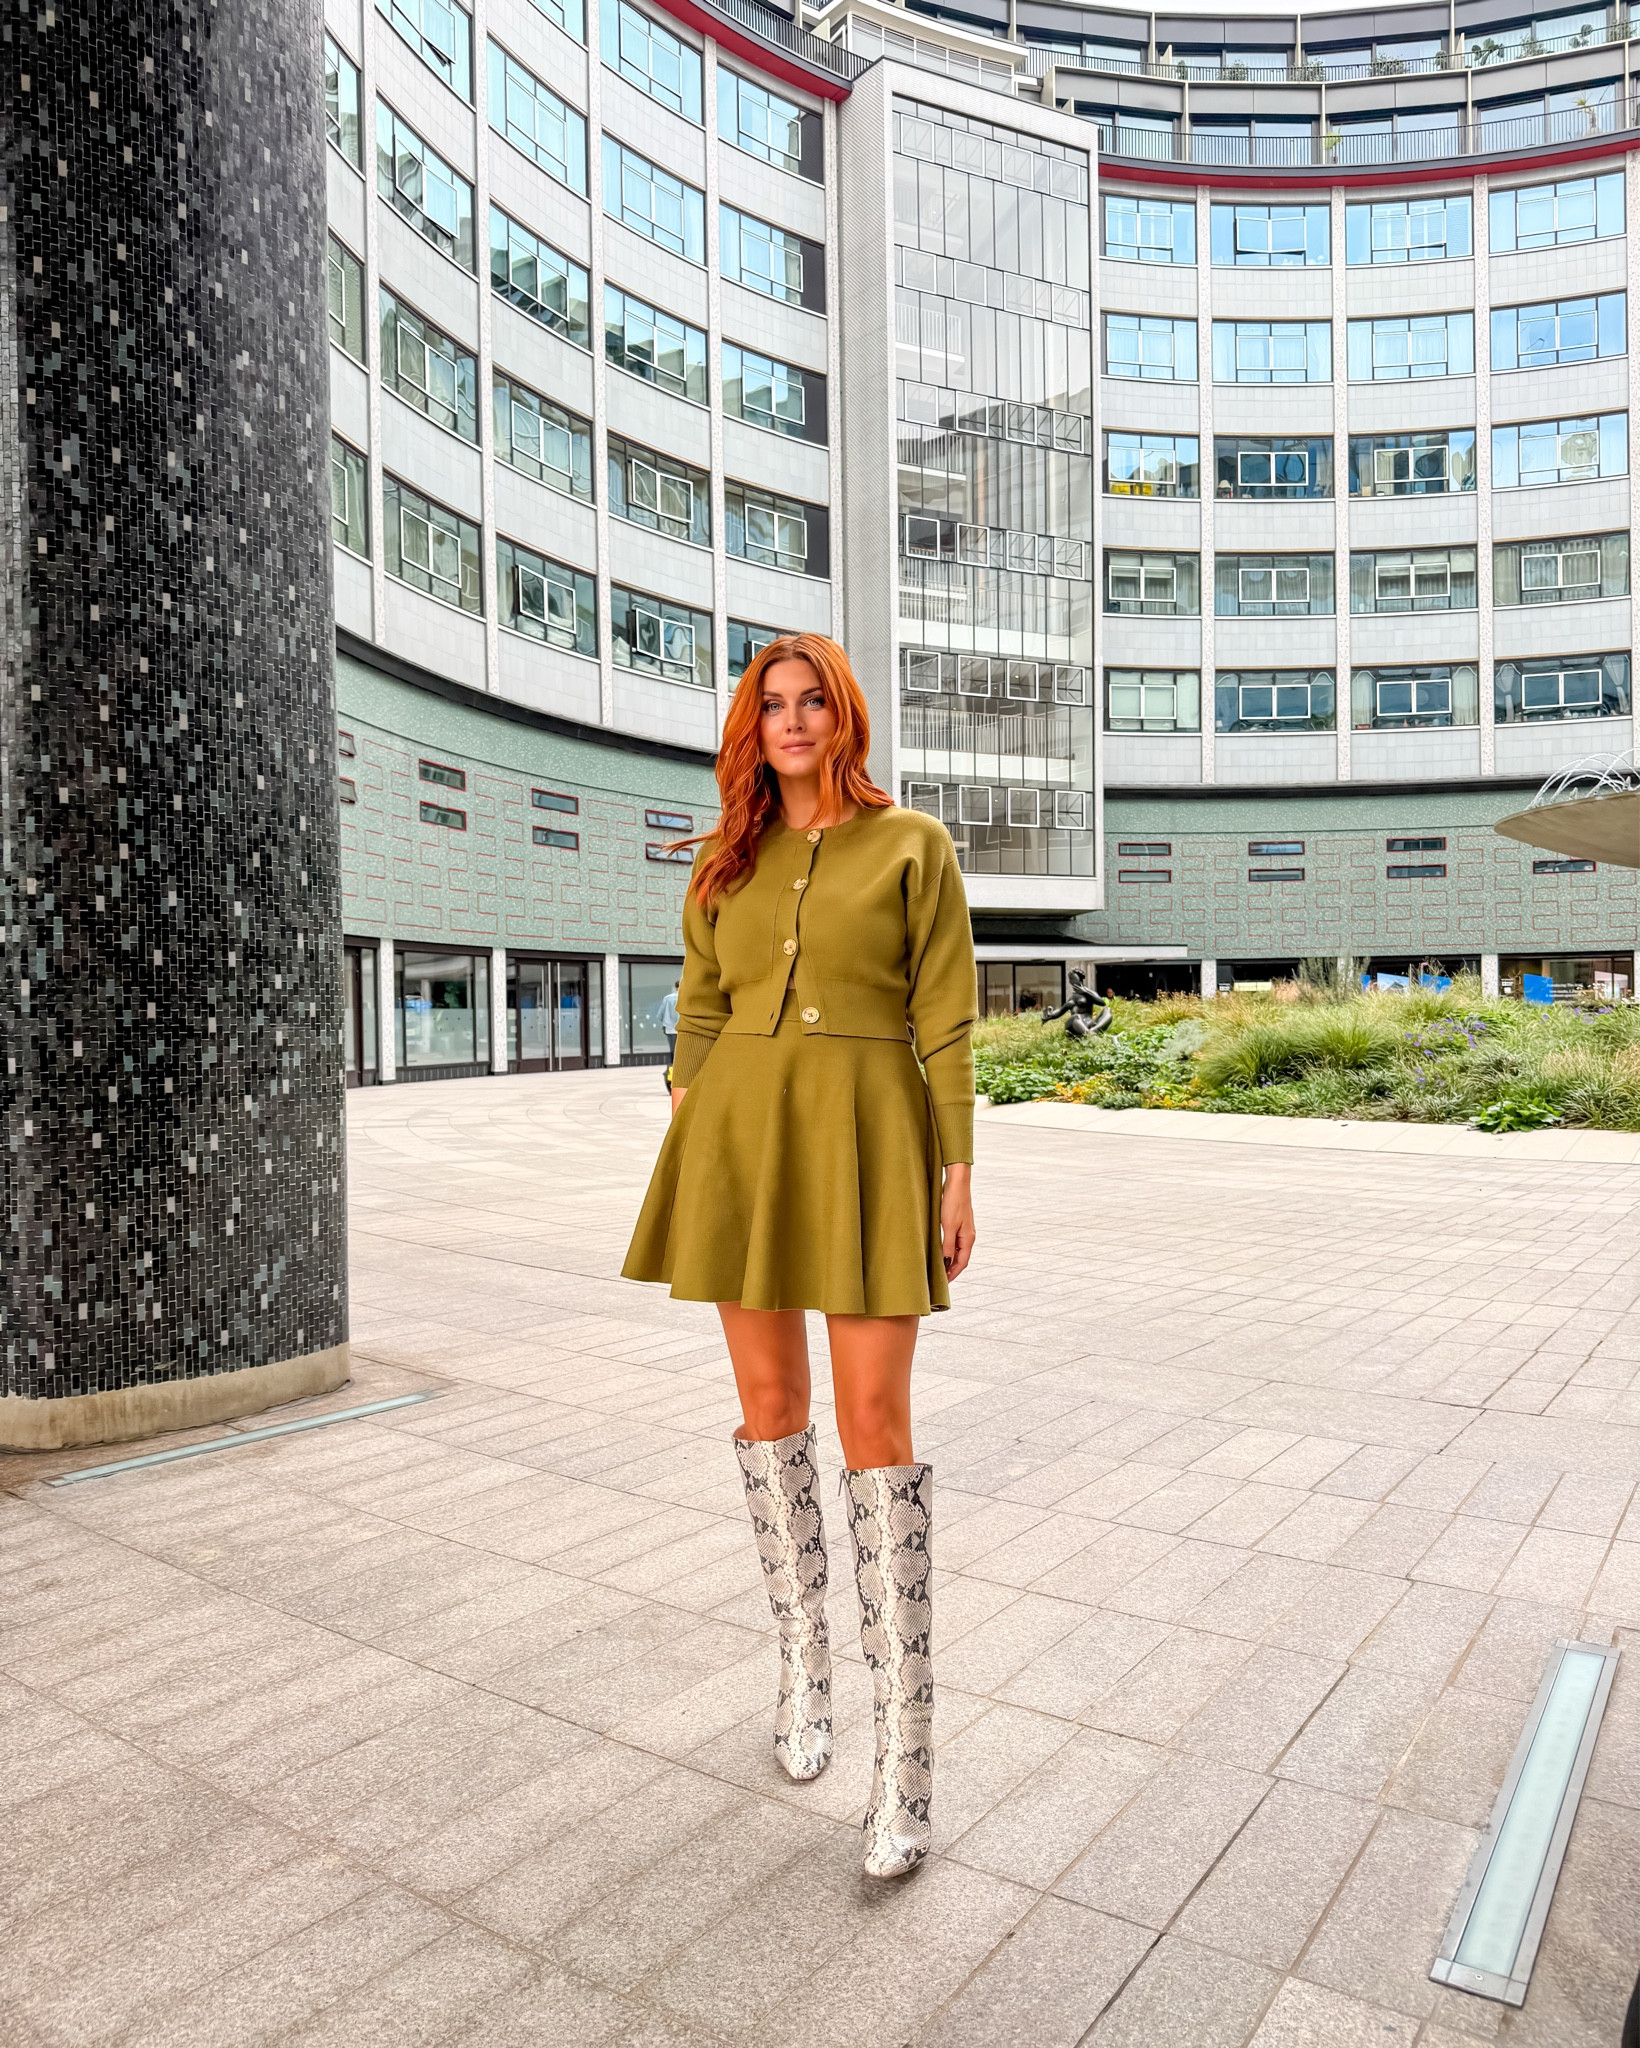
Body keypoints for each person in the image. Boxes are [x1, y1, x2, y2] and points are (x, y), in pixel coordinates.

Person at [623, 633, 977, 1879]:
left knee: (876, 1422)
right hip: (738, 1144)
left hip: (872, 1137)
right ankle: (803, 1673)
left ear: (844, 715)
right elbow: (701, 1002)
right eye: (767, 705)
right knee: (769, 1410)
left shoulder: (910, 846)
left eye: (807, 699)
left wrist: (956, 1166)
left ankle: (907, 1769)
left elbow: (944, 1011)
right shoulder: (727, 861)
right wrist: (689, 1110)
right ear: (749, 725)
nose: (787, 719)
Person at [660, 981, 679, 1086]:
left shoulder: (667, 998)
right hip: (682, 1028)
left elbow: (660, 1014)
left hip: (670, 1028)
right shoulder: (685, 997)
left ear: (675, 987)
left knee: (673, 1052)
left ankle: (671, 1075)